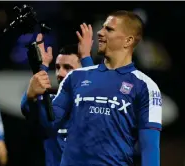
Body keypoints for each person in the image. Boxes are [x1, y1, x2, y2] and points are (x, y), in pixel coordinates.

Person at [27, 10, 162, 166]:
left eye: (109, 29)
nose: (100, 32)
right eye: (103, 27)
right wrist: (31, 97)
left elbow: (149, 149)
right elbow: (50, 124)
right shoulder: (75, 77)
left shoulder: (146, 86)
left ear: (128, 40)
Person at [21, 24, 94, 166]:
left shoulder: (97, 104)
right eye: (57, 67)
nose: (60, 73)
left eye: (68, 68)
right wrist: (40, 69)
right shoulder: (51, 104)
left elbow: (94, 89)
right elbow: (28, 109)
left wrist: (86, 58)